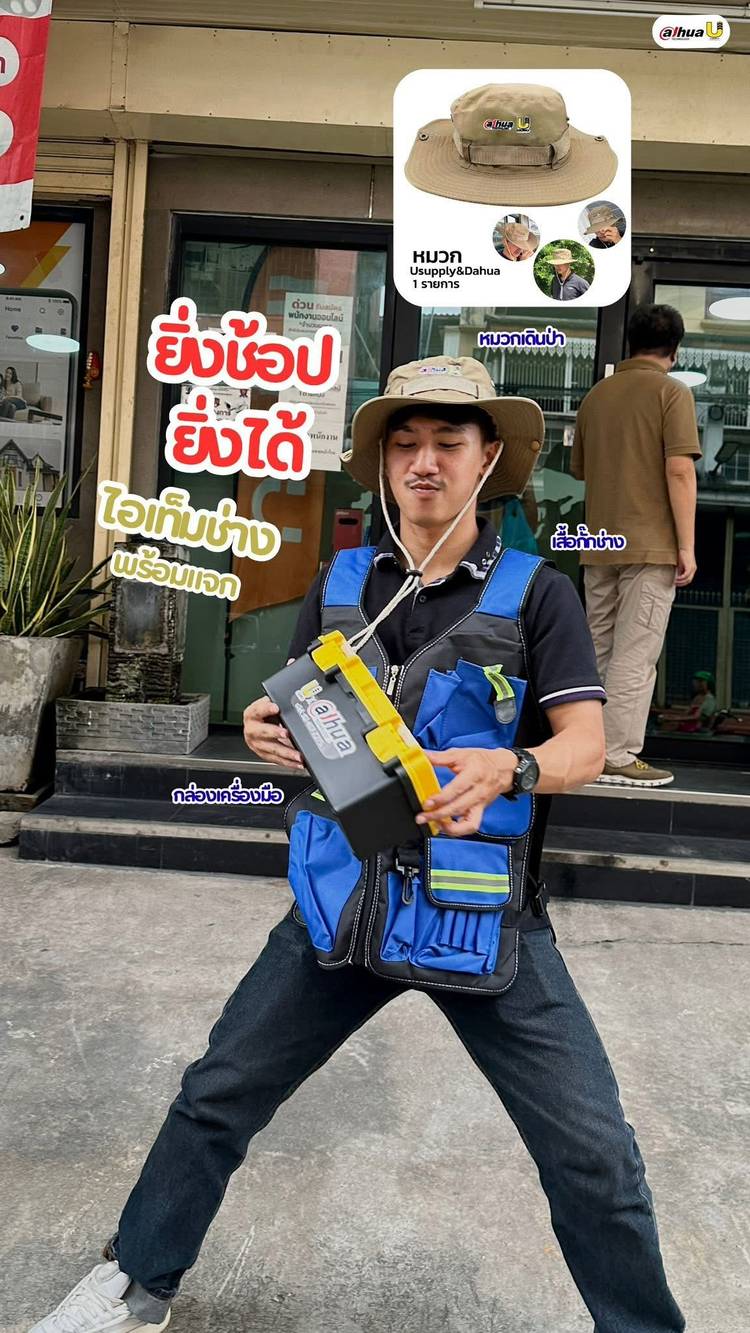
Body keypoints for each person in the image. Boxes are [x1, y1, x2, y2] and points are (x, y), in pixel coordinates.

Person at [29, 356, 685, 1333]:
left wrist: (514, 765)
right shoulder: (342, 583)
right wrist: (268, 733)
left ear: (487, 459)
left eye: (448, 442)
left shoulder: (537, 594)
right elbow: (306, 716)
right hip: (340, 906)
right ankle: (137, 1283)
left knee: (595, 1153)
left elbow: (586, 743)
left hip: (479, 917)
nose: (425, 462)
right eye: (405, 443)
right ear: (382, 463)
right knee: (218, 1092)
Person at [571, 303, 702, 786]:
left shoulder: (597, 395)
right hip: (650, 545)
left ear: (631, 343)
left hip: (599, 541)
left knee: (596, 649)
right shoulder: (672, 392)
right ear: (675, 350)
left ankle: (584, 747)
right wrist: (686, 546)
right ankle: (617, 755)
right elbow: (680, 470)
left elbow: (580, 470)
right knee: (636, 653)